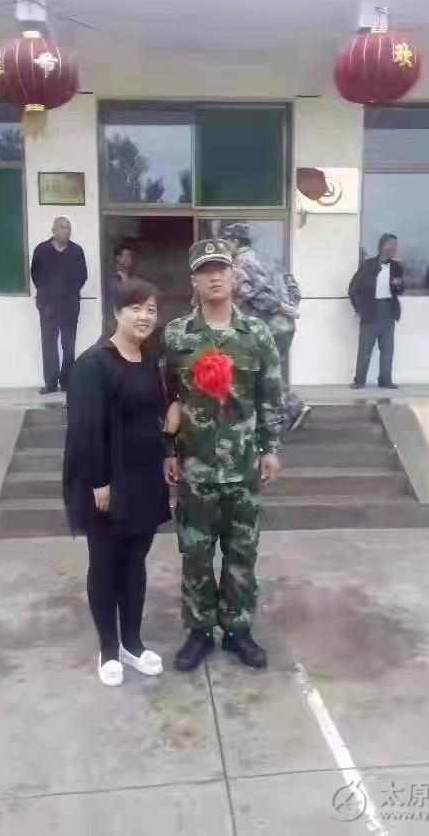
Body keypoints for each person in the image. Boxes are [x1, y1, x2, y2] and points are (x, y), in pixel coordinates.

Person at [164, 239, 284, 672]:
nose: (214, 277)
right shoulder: (177, 335)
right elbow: (164, 397)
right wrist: (167, 449)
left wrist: (271, 449)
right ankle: (199, 632)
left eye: (221, 269)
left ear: (234, 277)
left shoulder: (257, 334)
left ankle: (238, 631)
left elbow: (271, 395)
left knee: (241, 553)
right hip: (195, 467)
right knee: (196, 555)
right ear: (194, 281)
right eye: (205, 270)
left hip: (243, 468)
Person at [63, 278, 175, 687]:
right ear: (116, 313)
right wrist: (99, 482)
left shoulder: (149, 360)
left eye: (151, 309)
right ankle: (108, 649)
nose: (145, 316)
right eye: (136, 308)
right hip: (106, 481)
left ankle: (132, 643)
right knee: (105, 563)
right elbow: (84, 429)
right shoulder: (93, 363)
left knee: (134, 561)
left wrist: (171, 435)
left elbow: (156, 411)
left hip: (144, 477)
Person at [222, 222, 309, 431]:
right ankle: (272, 418)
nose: (224, 246)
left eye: (226, 242)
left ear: (235, 241)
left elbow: (249, 293)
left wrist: (278, 306)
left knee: (259, 372)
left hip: (260, 327)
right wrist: (290, 307)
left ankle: (293, 407)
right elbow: (293, 286)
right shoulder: (270, 260)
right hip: (285, 326)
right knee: (269, 370)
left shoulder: (238, 264)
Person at [31, 216, 88, 395]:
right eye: (63, 227)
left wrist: (68, 293)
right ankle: (50, 383)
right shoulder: (42, 250)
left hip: (70, 306)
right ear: (54, 230)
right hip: (47, 306)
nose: (66, 231)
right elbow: (35, 274)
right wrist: (47, 294)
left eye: (68, 227)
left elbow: (82, 276)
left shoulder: (76, 251)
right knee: (49, 344)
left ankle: (66, 382)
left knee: (68, 345)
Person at [349, 234, 405, 390]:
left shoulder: (396, 267)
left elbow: (400, 290)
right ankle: (359, 381)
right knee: (365, 349)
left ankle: (385, 380)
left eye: (396, 245)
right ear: (383, 246)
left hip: (389, 310)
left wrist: (398, 285)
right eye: (392, 245)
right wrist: (359, 309)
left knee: (387, 350)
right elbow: (353, 288)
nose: (395, 248)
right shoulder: (368, 265)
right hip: (371, 311)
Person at [104, 241, 136, 334]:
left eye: (130, 256)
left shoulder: (134, 278)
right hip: (115, 323)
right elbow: (107, 301)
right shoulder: (109, 279)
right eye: (127, 256)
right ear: (118, 258)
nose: (129, 259)